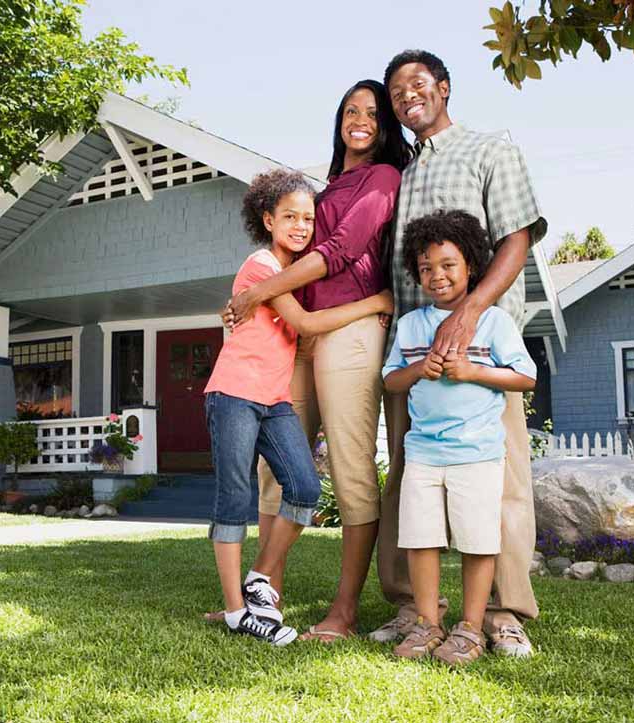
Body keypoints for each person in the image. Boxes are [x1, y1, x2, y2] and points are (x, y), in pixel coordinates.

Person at [370, 50, 547, 657]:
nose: (406, 97)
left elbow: (517, 237)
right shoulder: (402, 169)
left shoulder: (489, 147)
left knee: (499, 485)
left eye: (417, 85)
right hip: (414, 352)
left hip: (480, 353)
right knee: (409, 479)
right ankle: (414, 610)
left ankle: (500, 613)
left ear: (444, 88)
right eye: (396, 92)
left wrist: (468, 316)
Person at [224, 79, 411, 642]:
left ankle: (344, 612)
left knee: (352, 471)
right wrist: (257, 293)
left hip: (353, 329)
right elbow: (295, 249)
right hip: (300, 335)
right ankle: (262, 602)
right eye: (350, 111)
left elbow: (339, 253)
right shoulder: (327, 189)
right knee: (274, 471)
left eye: (372, 113)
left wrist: (257, 292)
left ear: (386, 125)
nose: (360, 120)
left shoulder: (383, 178)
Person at [204, 168, 394, 645]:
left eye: (308, 219)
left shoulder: (288, 272)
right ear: (267, 219)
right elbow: (306, 325)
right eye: (289, 216)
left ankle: (260, 576)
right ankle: (234, 611)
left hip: (272, 399)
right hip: (234, 394)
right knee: (233, 499)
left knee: (306, 487)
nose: (301, 226)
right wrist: (375, 302)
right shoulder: (263, 268)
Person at [382, 210, 536, 666]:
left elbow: (526, 377)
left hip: (477, 454)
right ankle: (429, 624)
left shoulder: (493, 322)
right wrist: (417, 369)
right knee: (420, 539)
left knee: (476, 541)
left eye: (448, 265)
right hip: (423, 456)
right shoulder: (411, 325)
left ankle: (470, 627)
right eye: (426, 268)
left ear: (471, 264)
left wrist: (472, 371)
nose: (437, 276)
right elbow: (391, 380)